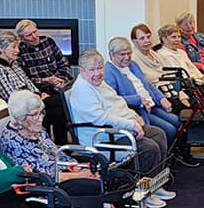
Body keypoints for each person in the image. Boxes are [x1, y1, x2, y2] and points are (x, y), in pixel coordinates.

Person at [65, 50, 173, 193]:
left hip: (117, 132)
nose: (97, 73)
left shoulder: (100, 84)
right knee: (148, 147)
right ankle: (142, 191)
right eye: (92, 70)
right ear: (82, 71)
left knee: (158, 133)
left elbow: (118, 103)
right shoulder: (82, 90)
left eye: (100, 68)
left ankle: (154, 184)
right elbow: (100, 117)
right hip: (102, 139)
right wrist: (131, 124)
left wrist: (133, 116)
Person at [104, 35, 185, 156]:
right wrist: (138, 100)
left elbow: (148, 85)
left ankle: (173, 154)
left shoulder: (133, 65)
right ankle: (166, 157)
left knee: (177, 121)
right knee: (169, 129)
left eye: (129, 53)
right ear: (112, 55)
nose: (127, 58)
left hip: (151, 104)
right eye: (122, 54)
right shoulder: (109, 72)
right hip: (138, 110)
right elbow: (114, 99)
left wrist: (161, 98)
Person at [15, 19, 74, 143]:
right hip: (40, 91)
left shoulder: (48, 41)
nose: (35, 36)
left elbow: (64, 64)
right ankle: (59, 144)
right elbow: (26, 79)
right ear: (22, 38)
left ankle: (60, 145)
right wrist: (47, 80)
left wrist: (61, 81)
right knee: (59, 109)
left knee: (61, 104)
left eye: (35, 32)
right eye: (29, 35)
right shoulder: (19, 52)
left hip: (59, 86)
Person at [0, 90, 64, 176]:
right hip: (53, 184)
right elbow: (45, 176)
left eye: (41, 112)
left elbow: (57, 153)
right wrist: (81, 174)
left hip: (67, 171)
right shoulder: (10, 141)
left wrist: (77, 167)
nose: (41, 118)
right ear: (19, 118)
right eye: (34, 115)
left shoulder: (36, 129)